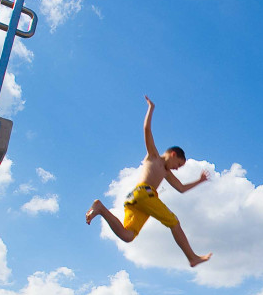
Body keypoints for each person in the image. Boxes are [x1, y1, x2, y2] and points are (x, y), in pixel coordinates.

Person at [85, 96, 212, 267]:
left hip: (134, 199)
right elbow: (146, 129)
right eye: (178, 165)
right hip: (144, 194)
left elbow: (181, 188)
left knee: (128, 236)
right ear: (173, 155)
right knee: (174, 222)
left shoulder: (166, 172)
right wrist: (151, 108)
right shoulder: (154, 157)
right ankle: (192, 257)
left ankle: (100, 208)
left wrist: (200, 181)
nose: (176, 169)